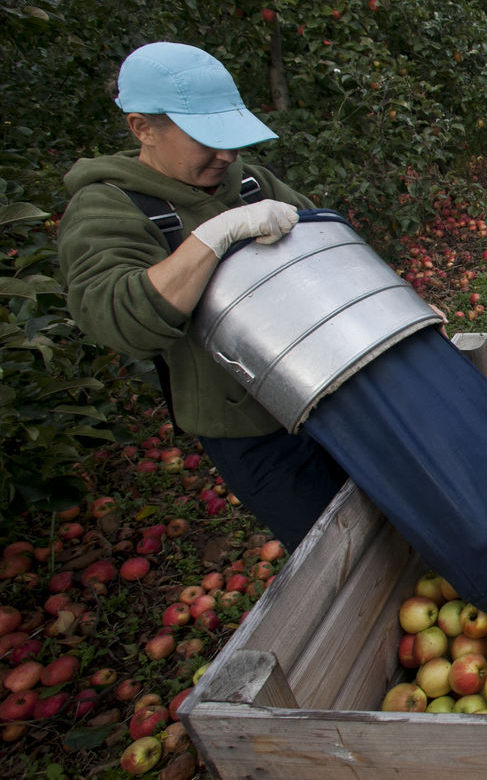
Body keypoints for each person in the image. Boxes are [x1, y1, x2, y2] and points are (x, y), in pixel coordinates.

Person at [59, 42, 347, 550]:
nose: (227, 156)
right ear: (142, 128)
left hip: (330, 389)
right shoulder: (109, 208)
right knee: (332, 545)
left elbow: (329, 250)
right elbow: (121, 319)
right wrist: (216, 235)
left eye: (230, 138)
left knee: (395, 511)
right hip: (249, 426)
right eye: (206, 140)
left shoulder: (251, 182)